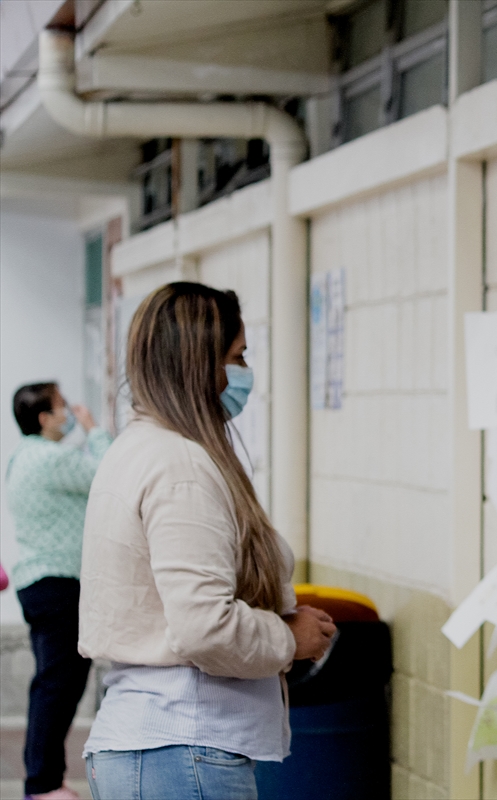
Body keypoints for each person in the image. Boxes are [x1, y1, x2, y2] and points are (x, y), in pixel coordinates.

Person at [78, 283, 337, 800]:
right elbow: (204, 626)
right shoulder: (181, 465)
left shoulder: (139, 449)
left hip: (156, 748)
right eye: (237, 358)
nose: (244, 374)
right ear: (201, 365)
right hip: (182, 745)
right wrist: (290, 638)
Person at [7, 382, 112, 800]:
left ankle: (45, 780)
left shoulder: (22, 457)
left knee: (52, 684)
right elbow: (107, 475)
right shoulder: (51, 458)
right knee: (58, 686)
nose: (70, 411)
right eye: (62, 406)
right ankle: (43, 784)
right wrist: (95, 430)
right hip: (58, 584)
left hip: (40, 583)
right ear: (43, 419)